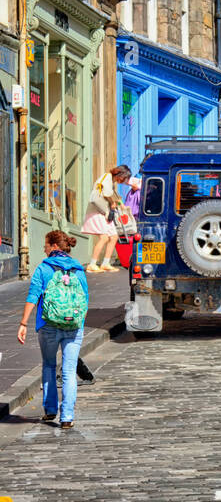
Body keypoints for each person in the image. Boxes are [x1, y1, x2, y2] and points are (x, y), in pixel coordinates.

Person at [16, 230, 89, 429]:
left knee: (48, 365)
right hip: (73, 326)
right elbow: (85, 299)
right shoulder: (78, 269)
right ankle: (67, 416)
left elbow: (33, 297)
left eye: (46, 245)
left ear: (54, 247)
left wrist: (23, 323)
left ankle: (50, 409)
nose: (44, 248)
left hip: (47, 325)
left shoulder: (43, 268)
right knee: (69, 370)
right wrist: (77, 323)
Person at [81, 164, 131, 272]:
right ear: (120, 174)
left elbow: (113, 195)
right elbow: (107, 193)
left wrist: (120, 204)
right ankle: (92, 264)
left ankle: (105, 263)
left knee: (113, 236)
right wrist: (113, 202)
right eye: (124, 177)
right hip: (98, 211)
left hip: (105, 212)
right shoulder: (107, 177)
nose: (124, 181)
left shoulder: (111, 180)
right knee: (104, 237)